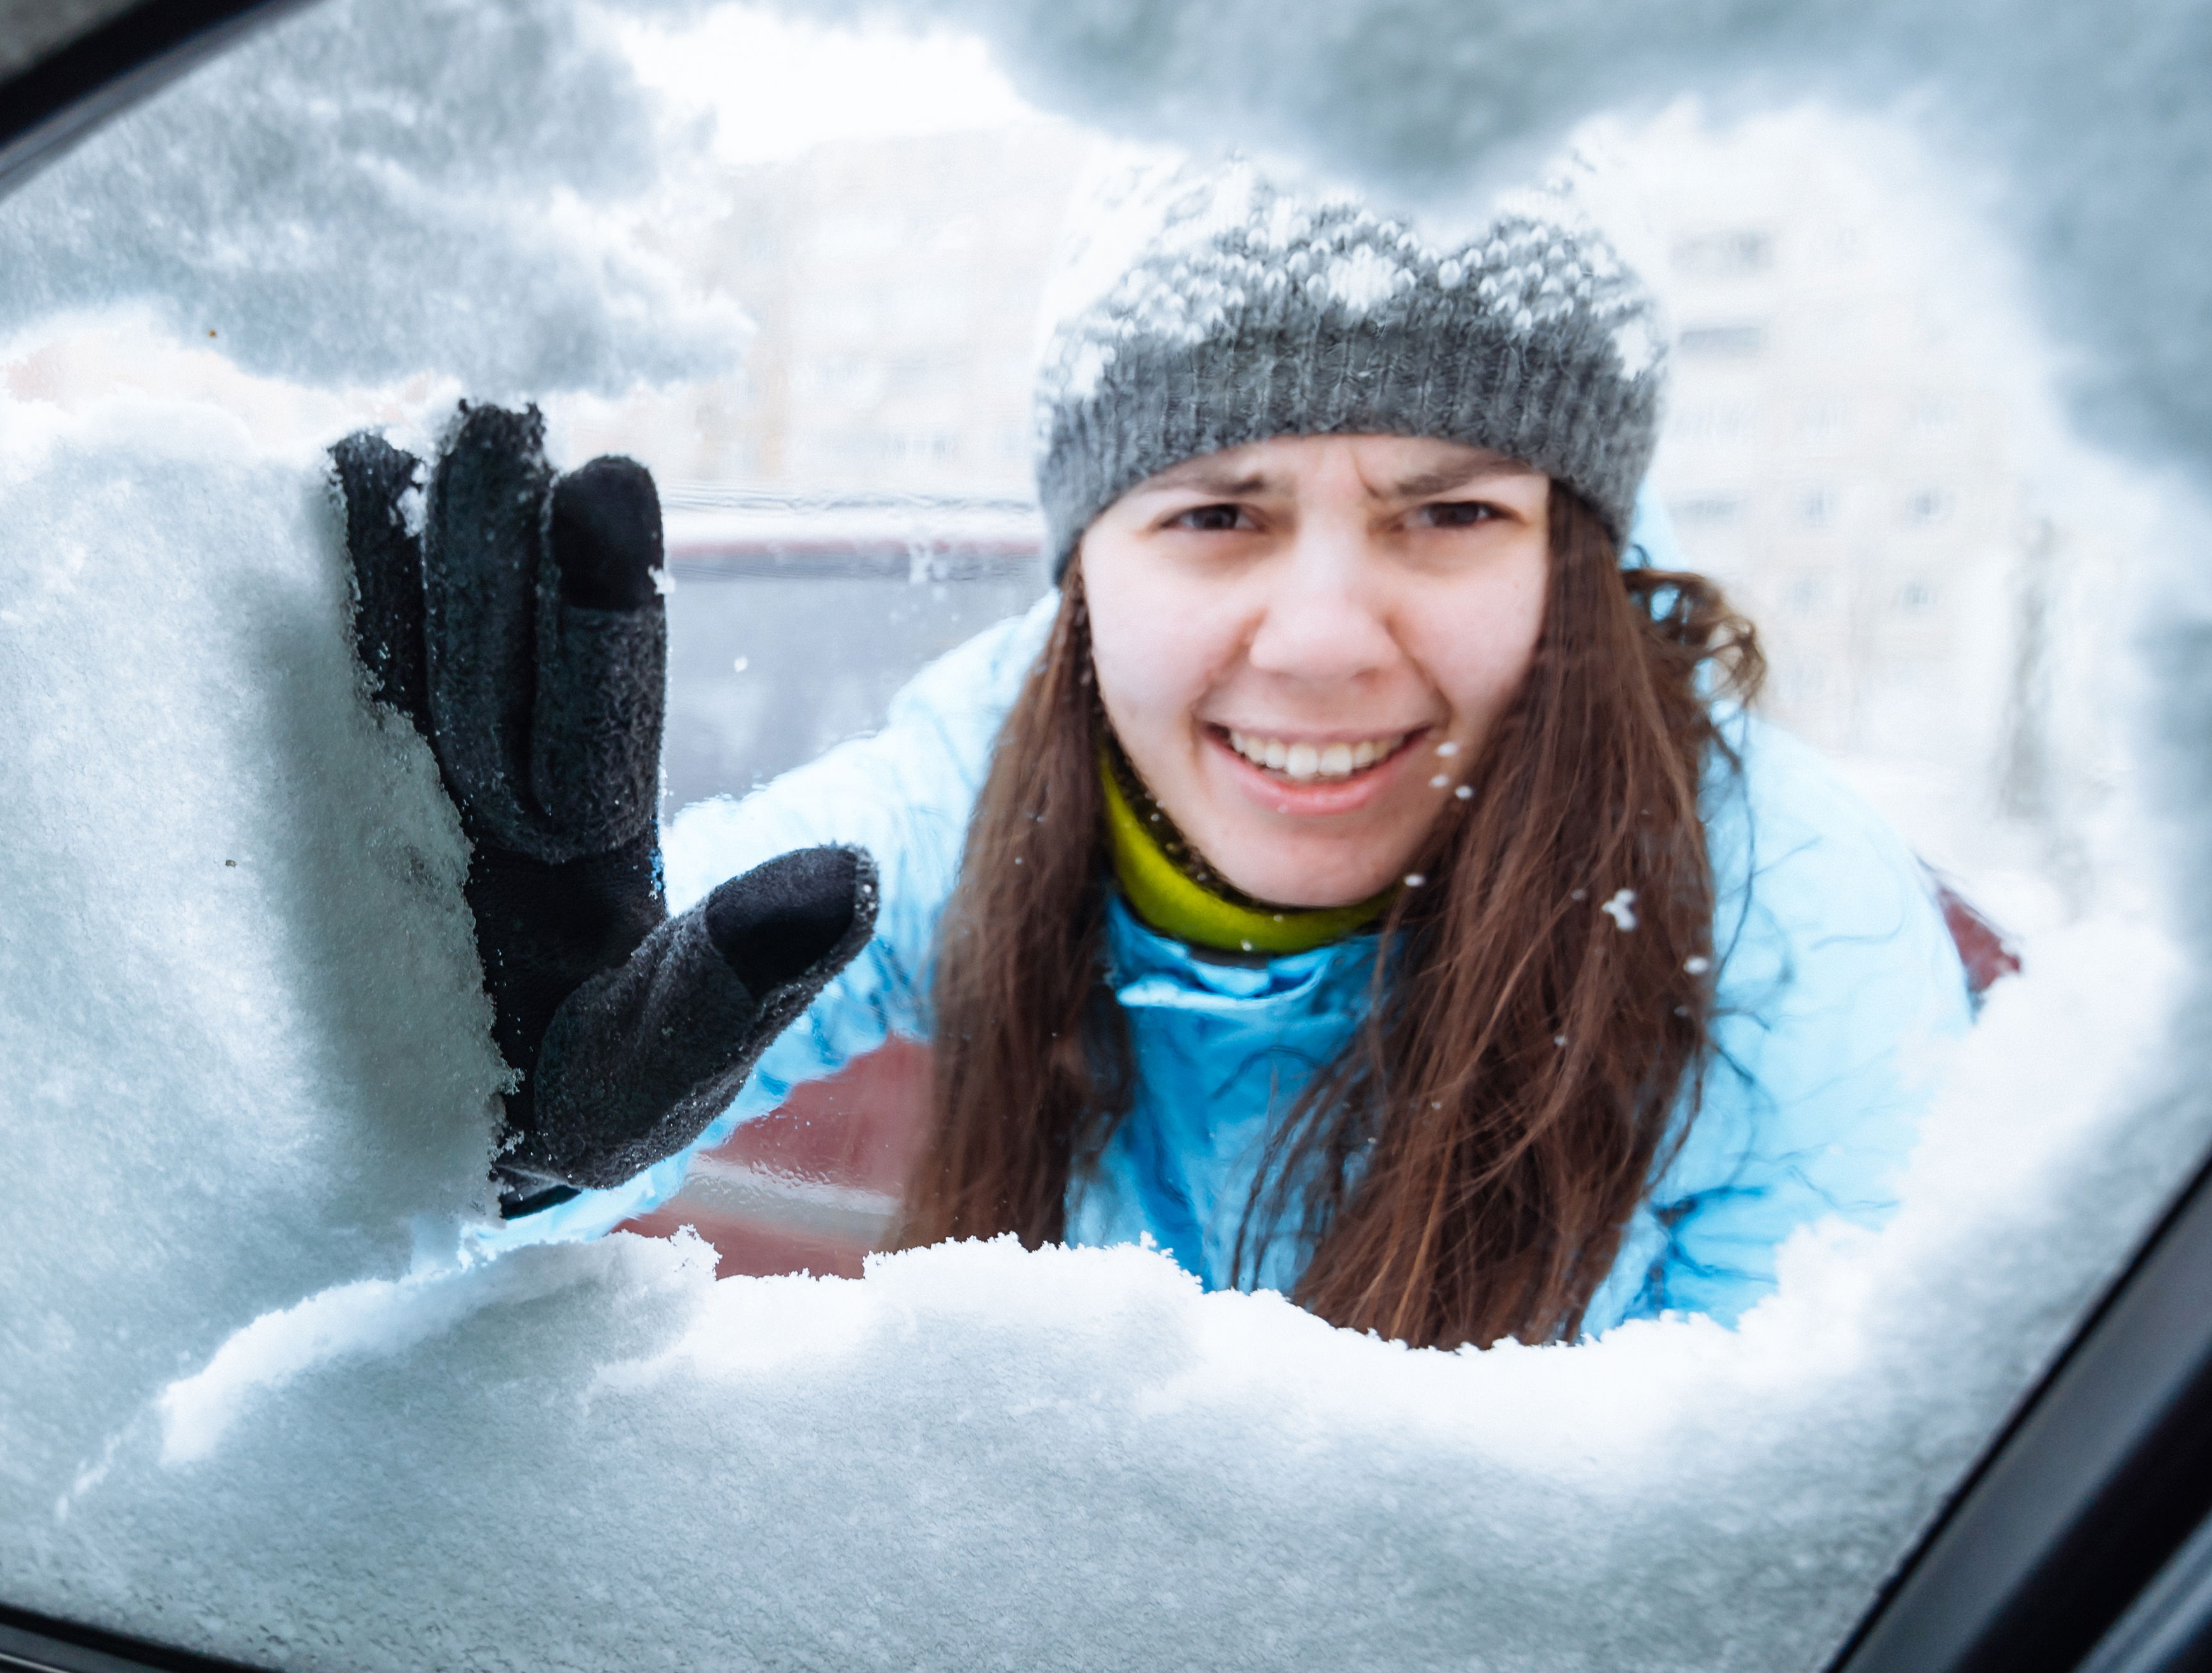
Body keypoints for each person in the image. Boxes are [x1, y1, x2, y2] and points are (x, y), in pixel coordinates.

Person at [335, 156, 1973, 1347]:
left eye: (1451, 514)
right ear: (1086, 574)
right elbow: (400, 1230)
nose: (1321, 640)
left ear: (1570, 558)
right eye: (1215, 516)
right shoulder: (981, 788)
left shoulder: (1779, 940)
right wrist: (479, 1114)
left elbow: (1792, 1607)